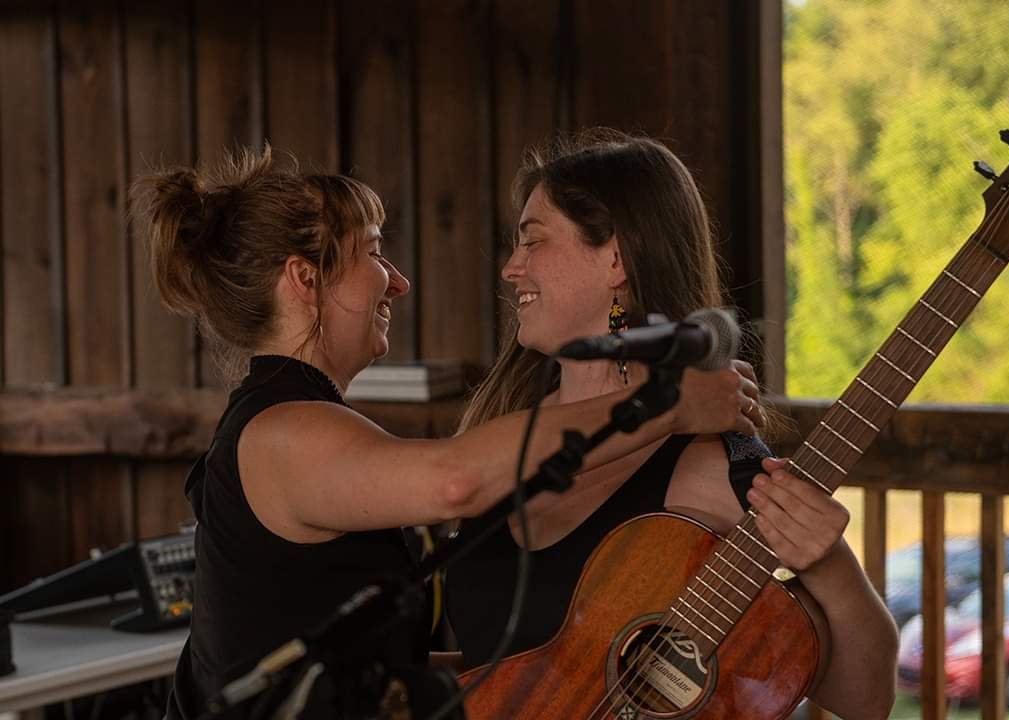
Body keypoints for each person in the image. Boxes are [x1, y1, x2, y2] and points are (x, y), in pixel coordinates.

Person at [128, 144, 761, 719]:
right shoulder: (283, 432)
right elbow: (454, 480)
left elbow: (366, 673)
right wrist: (671, 405)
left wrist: (558, 677)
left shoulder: (302, 420)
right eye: (374, 252)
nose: (397, 281)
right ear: (305, 279)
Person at [443, 130, 899, 718]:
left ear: (616, 259)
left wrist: (830, 564)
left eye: (532, 243)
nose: (511, 268)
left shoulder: (709, 463)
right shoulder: (505, 433)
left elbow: (865, 700)